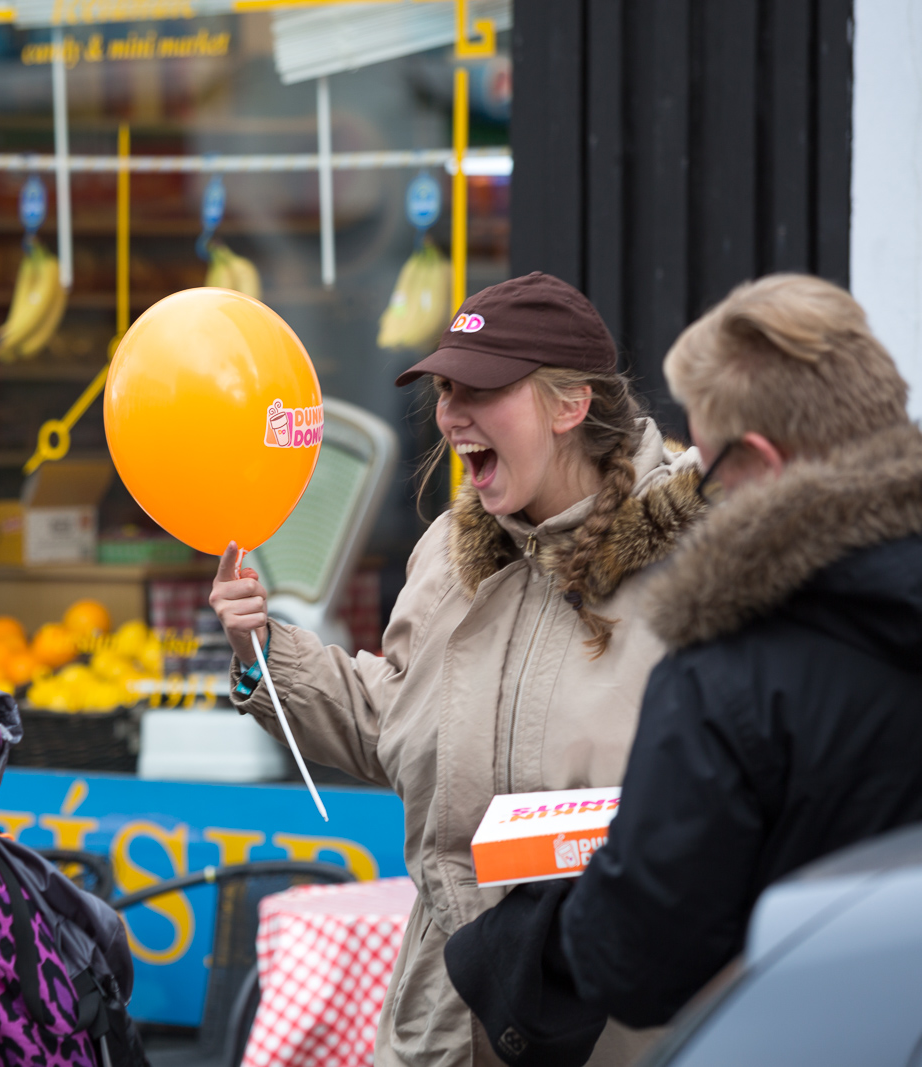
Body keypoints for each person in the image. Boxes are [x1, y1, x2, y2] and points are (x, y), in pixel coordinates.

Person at [209, 273, 707, 1067]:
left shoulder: (701, 563)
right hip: (445, 1022)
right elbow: (396, 723)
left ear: (570, 404)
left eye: (481, 388)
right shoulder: (448, 551)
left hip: (616, 1025)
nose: (450, 414)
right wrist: (264, 652)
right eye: (446, 388)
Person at [445, 274, 922, 1065]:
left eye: (710, 460)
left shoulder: (730, 672)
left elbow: (634, 956)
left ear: (764, 463)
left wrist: (513, 945)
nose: (700, 480)